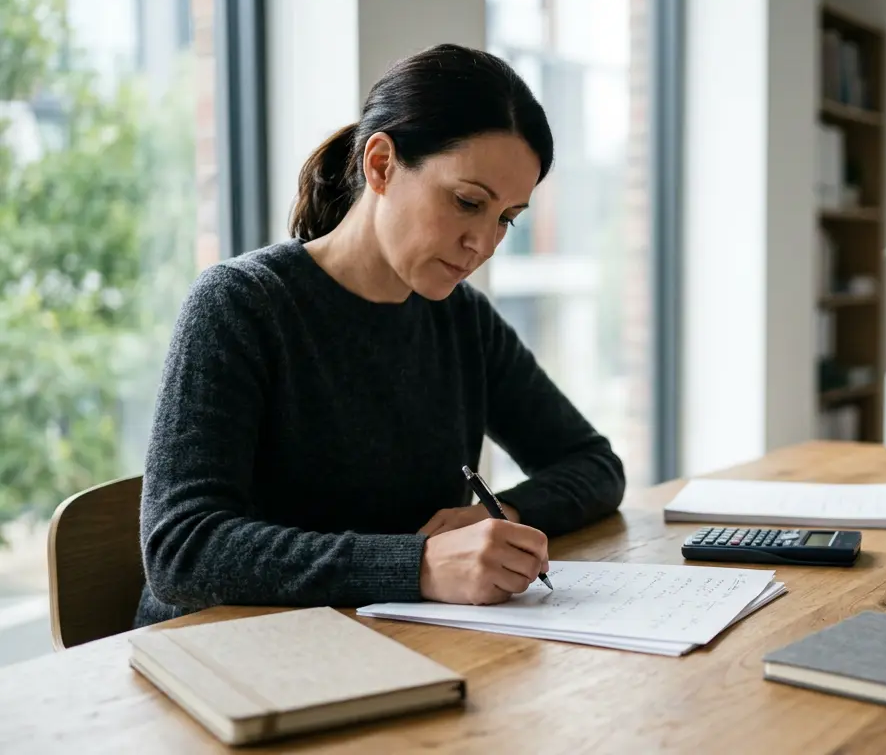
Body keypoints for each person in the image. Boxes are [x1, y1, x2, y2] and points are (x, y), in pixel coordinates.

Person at [135, 44, 626, 628]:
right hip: (227, 661)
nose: (484, 244)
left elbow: (594, 465)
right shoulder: (241, 304)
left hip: (387, 642)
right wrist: (417, 565)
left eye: (505, 218)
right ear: (381, 164)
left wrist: (500, 513)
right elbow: (183, 550)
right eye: (467, 202)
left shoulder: (462, 319)